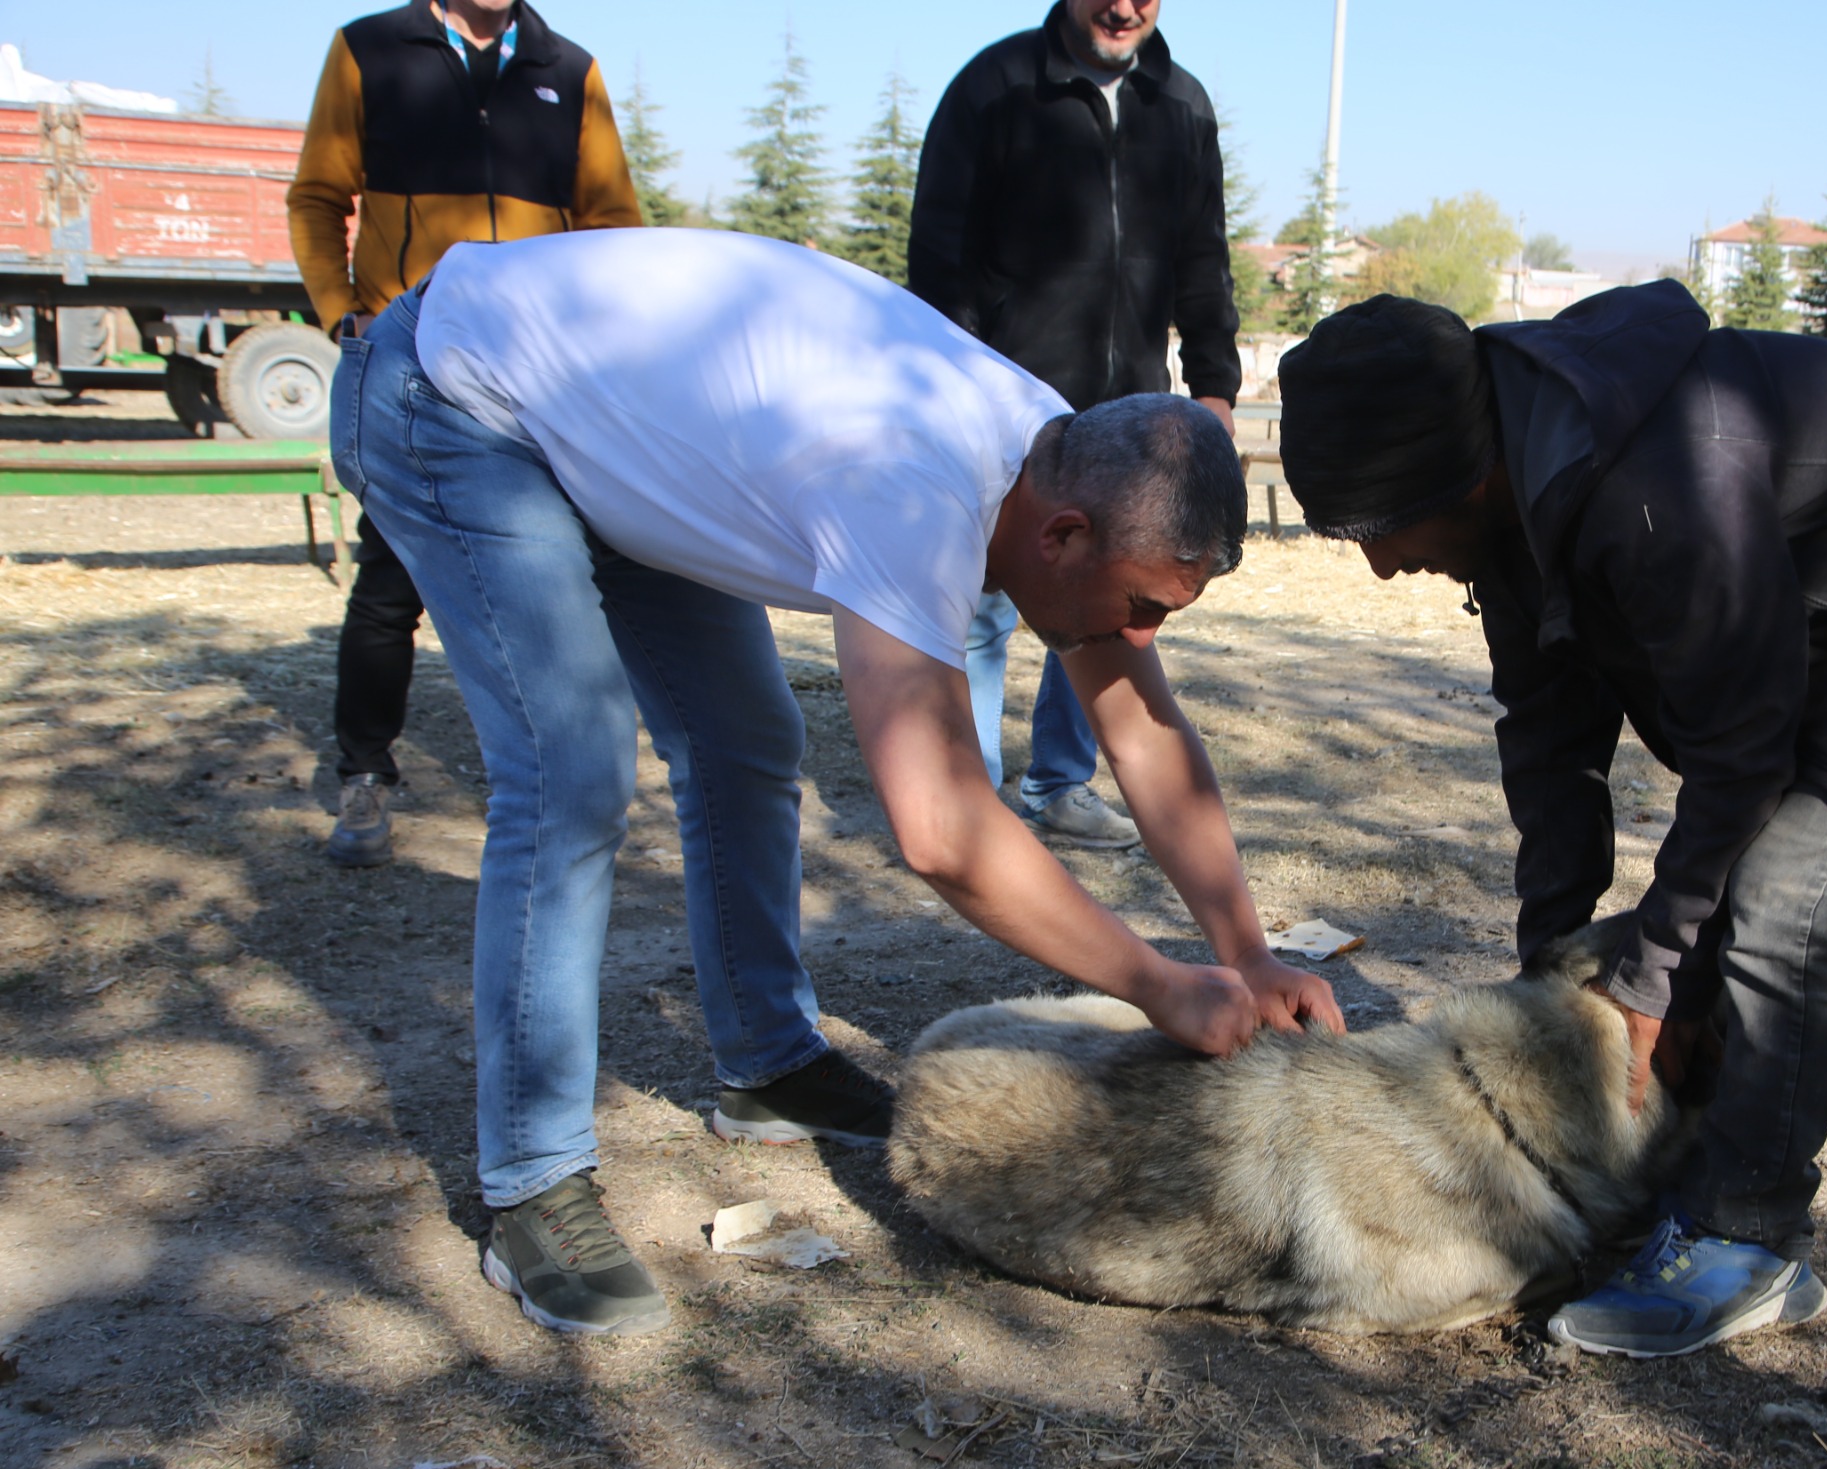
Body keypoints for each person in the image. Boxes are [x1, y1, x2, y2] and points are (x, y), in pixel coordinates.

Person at [333, 226, 1340, 1338]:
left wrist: (1247, 950)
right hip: (456, 394)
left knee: (747, 743)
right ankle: (531, 1179)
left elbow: (1141, 730)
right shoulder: (909, 489)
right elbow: (943, 826)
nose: (1139, 635)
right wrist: (1161, 981)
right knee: (570, 772)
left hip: (605, 425)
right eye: (1141, 605)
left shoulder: (1065, 463)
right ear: (1060, 534)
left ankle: (766, 1062)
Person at [1275, 285, 1827, 1359]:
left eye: (1381, 531)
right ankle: (1698, 1158)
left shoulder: (1654, 484)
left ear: (1461, 479)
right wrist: (1550, 983)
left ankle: (1746, 1236)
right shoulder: (1515, 492)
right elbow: (1549, 741)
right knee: (1713, 904)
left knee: (1793, 895)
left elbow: (1740, 748)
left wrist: (1653, 971)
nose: (1383, 564)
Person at [287, 0, 640, 868]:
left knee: (564, 578)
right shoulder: (369, 50)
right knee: (388, 587)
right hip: (414, 374)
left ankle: (557, 777)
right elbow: (318, 198)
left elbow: (614, 226)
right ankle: (364, 773)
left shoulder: (570, 69)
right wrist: (347, 319)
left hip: (540, 380)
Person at [910, 0, 1240, 851]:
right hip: (1007, 406)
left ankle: (1058, 781)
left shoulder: (1186, 105)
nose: (1125, 6)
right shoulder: (995, 86)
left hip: (1129, 408)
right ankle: (969, 789)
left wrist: (1213, 386)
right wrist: (961, 383)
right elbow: (939, 250)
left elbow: (1206, 257)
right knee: (984, 602)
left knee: (1096, 607)